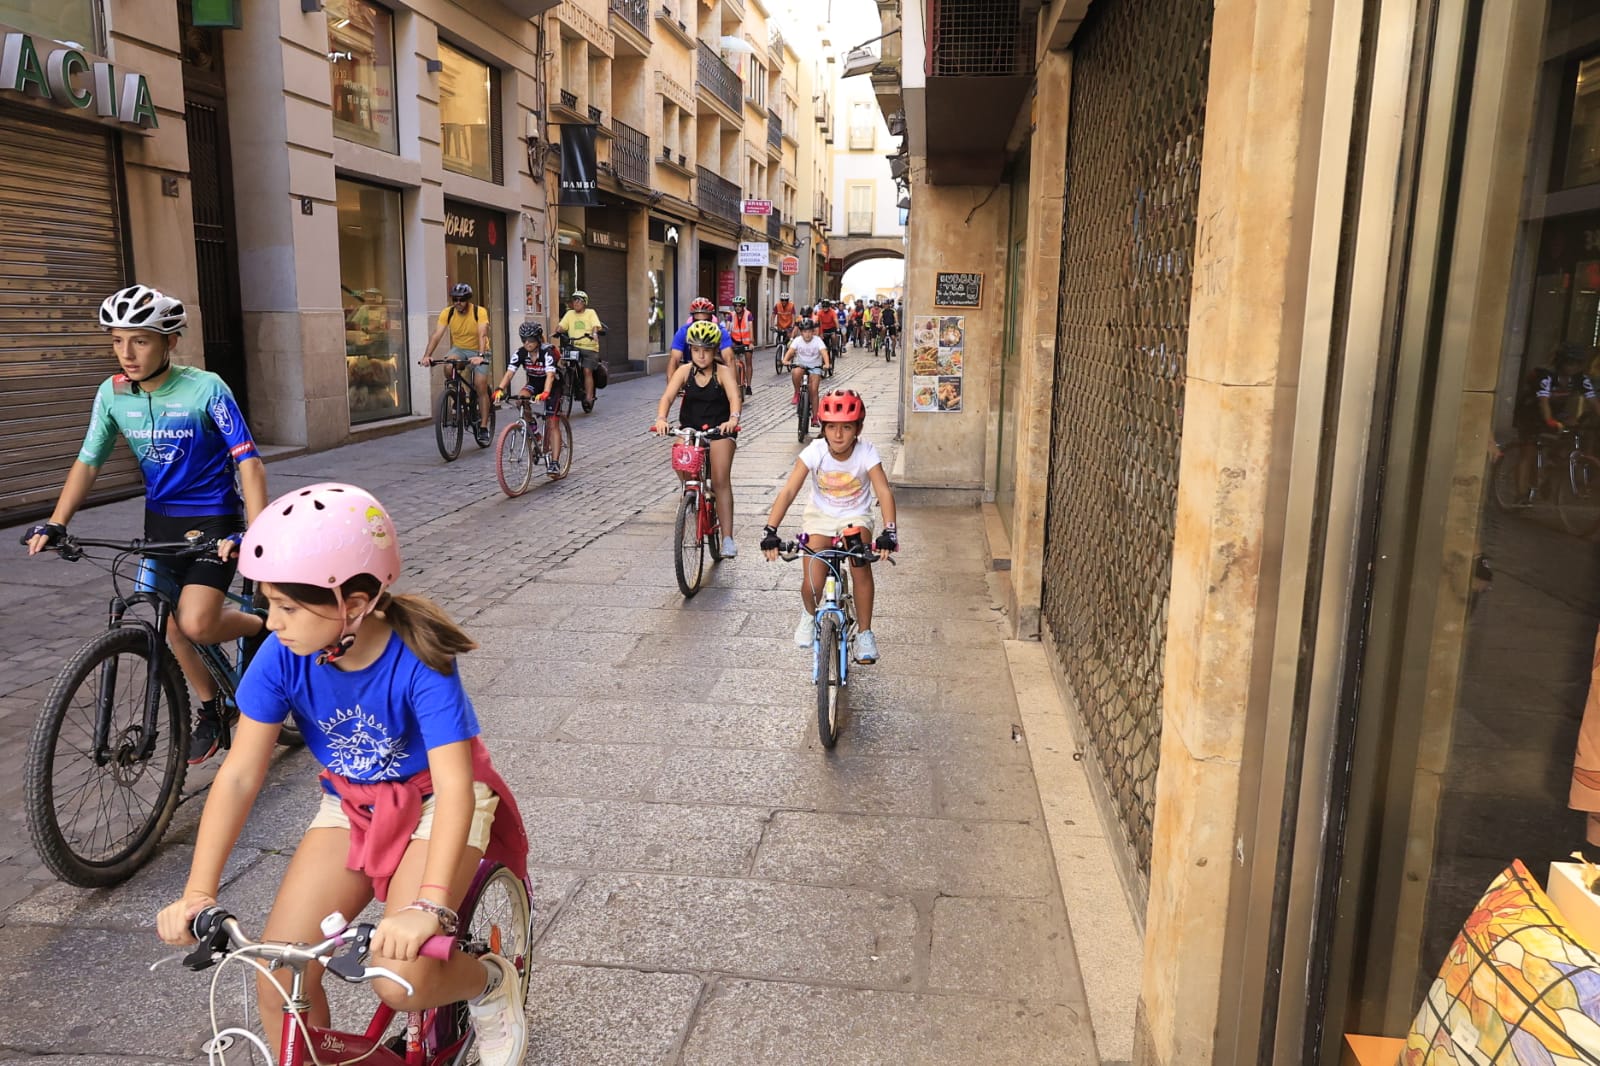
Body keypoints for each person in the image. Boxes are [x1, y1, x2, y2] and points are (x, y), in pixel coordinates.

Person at [155, 483, 529, 1066]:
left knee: (400, 977)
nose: (271, 622)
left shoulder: (420, 659)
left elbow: (457, 786)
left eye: (287, 607)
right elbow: (239, 775)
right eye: (268, 603)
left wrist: (429, 907)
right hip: (352, 802)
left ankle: (488, 980)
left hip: (436, 801)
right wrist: (198, 892)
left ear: (353, 604)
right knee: (278, 975)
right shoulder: (282, 656)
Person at [25, 284, 269, 765]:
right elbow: (89, 460)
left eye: (140, 340)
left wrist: (256, 534)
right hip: (159, 524)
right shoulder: (113, 394)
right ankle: (212, 709)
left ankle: (263, 625)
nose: (127, 353)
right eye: (118, 341)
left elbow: (249, 461)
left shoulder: (206, 388)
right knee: (166, 621)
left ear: (169, 341)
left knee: (196, 622)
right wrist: (56, 522)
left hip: (213, 520)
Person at [760, 389, 898, 664]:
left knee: (859, 563)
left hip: (855, 517)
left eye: (846, 427)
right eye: (832, 427)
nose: (838, 434)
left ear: (858, 429)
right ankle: (809, 615)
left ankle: (865, 633)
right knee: (813, 577)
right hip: (820, 517)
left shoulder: (867, 451)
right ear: (822, 428)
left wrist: (889, 531)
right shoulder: (815, 451)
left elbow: (883, 491)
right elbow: (789, 490)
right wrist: (770, 530)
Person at [653, 320, 743, 557]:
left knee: (721, 480)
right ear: (690, 351)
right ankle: (693, 493)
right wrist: (661, 418)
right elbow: (667, 397)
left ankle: (727, 538)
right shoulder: (684, 371)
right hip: (691, 428)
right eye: (695, 350)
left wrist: (732, 419)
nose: (701, 355)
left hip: (719, 429)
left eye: (706, 350)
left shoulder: (722, 372)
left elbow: (734, 398)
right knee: (680, 459)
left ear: (714, 351)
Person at [1512, 344, 1600, 502]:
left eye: (1577, 364)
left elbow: (1593, 401)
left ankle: (1550, 466)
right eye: (1570, 363)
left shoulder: (1580, 378)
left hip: (1556, 410)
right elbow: (1543, 401)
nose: (1573, 367)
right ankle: (1521, 494)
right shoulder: (1546, 375)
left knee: (1572, 429)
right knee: (1528, 451)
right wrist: (1549, 420)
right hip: (1530, 411)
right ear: (1561, 362)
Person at [421, 283, 493, 446]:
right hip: (459, 349)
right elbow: (437, 335)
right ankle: (459, 394)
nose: (458, 303)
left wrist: (481, 356)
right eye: (455, 299)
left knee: (480, 385)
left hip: (479, 350)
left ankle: (483, 427)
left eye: (461, 299)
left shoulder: (479, 312)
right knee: (448, 366)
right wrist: (427, 356)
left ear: (468, 299)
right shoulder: (448, 313)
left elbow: (482, 334)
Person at [494, 321, 565, 475]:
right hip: (534, 382)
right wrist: (500, 389)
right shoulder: (520, 353)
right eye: (524, 339)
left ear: (538, 339)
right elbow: (509, 373)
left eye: (531, 339)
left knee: (552, 422)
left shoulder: (547, 353)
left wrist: (546, 392)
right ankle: (534, 431)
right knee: (521, 399)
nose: (527, 343)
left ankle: (554, 463)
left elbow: (550, 375)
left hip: (553, 385)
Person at [556, 290, 607, 413]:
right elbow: (561, 326)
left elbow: (595, 326)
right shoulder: (569, 314)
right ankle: (564, 387)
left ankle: (589, 397)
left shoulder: (590, 312)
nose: (576, 302)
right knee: (561, 363)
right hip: (574, 346)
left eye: (579, 300)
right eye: (574, 300)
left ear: (584, 303)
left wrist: (594, 334)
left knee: (587, 371)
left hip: (589, 347)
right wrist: (558, 330)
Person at [668, 296, 735, 373]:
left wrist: (731, 379)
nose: (701, 325)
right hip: (690, 370)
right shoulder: (683, 332)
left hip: (714, 370)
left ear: (711, 319)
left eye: (706, 321)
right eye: (697, 321)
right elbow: (674, 360)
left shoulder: (721, 332)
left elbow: (729, 360)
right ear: (692, 319)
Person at [782, 318, 831, 422]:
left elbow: (824, 352)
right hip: (801, 365)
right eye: (805, 332)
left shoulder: (817, 340)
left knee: (814, 391)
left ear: (813, 332)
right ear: (801, 332)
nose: (807, 334)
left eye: (809, 331)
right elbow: (791, 351)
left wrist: (827, 363)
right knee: (795, 372)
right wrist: (785, 360)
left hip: (815, 367)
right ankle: (797, 392)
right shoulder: (797, 340)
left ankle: (815, 417)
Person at [728, 296, 756, 397]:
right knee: (731, 361)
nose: (737, 307)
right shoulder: (731, 315)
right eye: (736, 306)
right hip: (735, 341)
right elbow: (727, 328)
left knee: (748, 362)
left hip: (747, 341)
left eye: (740, 306)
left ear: (743, 306)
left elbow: (751, 328)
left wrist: (751, 342)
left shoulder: (748, 314)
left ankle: (748, 386)